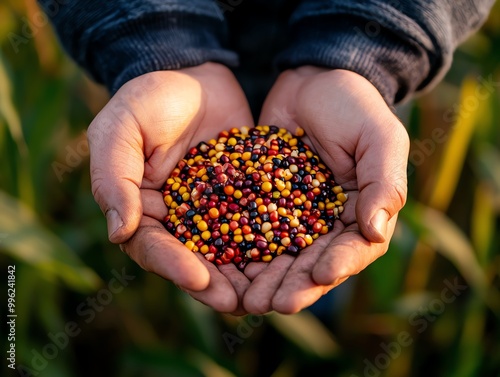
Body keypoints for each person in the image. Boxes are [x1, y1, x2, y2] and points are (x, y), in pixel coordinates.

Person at [38, 0, 495, 315]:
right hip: (174, 85)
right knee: (310, 244)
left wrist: (364, 46)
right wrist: (156, 41)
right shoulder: (224, 187)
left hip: (343, 98)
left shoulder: (302, 180)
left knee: (331, 254)